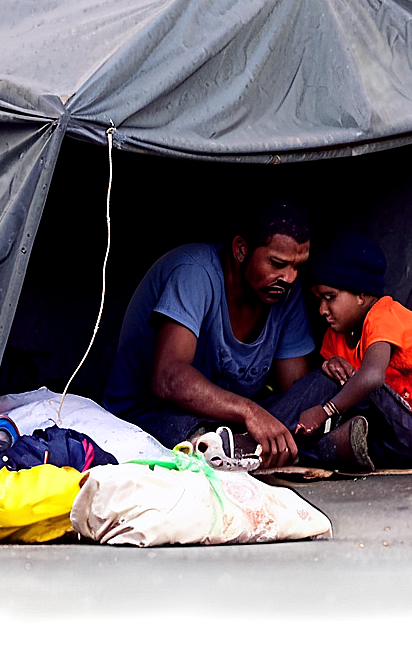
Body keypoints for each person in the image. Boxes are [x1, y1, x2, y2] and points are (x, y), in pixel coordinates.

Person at [103, 197, 317, 469]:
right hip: (154, 412)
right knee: (203, 439)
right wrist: (250, 412)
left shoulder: (286, 291)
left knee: (322, 386)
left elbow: (294, 390)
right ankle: (240, 446)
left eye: (297, 266)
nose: (289, 277)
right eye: (277, 263)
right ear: (241, 250)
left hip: (233, 420)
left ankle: (244, 446)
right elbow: (168, 378)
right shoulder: (194, 272)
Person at [292, 230, 412, 471]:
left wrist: (324, 411)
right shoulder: (335, 334)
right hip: (383, 426)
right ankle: (300, 444)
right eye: (319, 299)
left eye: (330, 297)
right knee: (329, 382)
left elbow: (372, 377)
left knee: (363, 389)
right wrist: (326, 366)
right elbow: (323, 386)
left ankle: (312, 448)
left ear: (361, 294)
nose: (322, 309)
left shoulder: (383, 315)